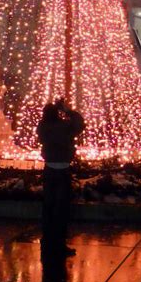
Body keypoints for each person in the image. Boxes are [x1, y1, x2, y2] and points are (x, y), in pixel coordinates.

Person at [37, 98, 85, 259]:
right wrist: (66, 110)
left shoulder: (43, 127)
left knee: (49, 207)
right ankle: (59, 244)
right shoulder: (65, 127)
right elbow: (79, 123)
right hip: (63, 170)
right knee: (61, 209)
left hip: (49, 169)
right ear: (57, 114)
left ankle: (47, 242)